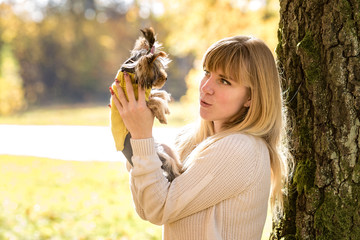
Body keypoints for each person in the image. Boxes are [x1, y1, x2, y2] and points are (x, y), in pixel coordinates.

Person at [110, 35, 290, 239]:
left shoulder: (242, 148)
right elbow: (146, 207)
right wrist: (136, 135)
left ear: (251, 97)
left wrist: (141, 137)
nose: (205, 88)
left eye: (224, 81)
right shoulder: (190, 140)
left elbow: (157, 209)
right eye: (207, 73)